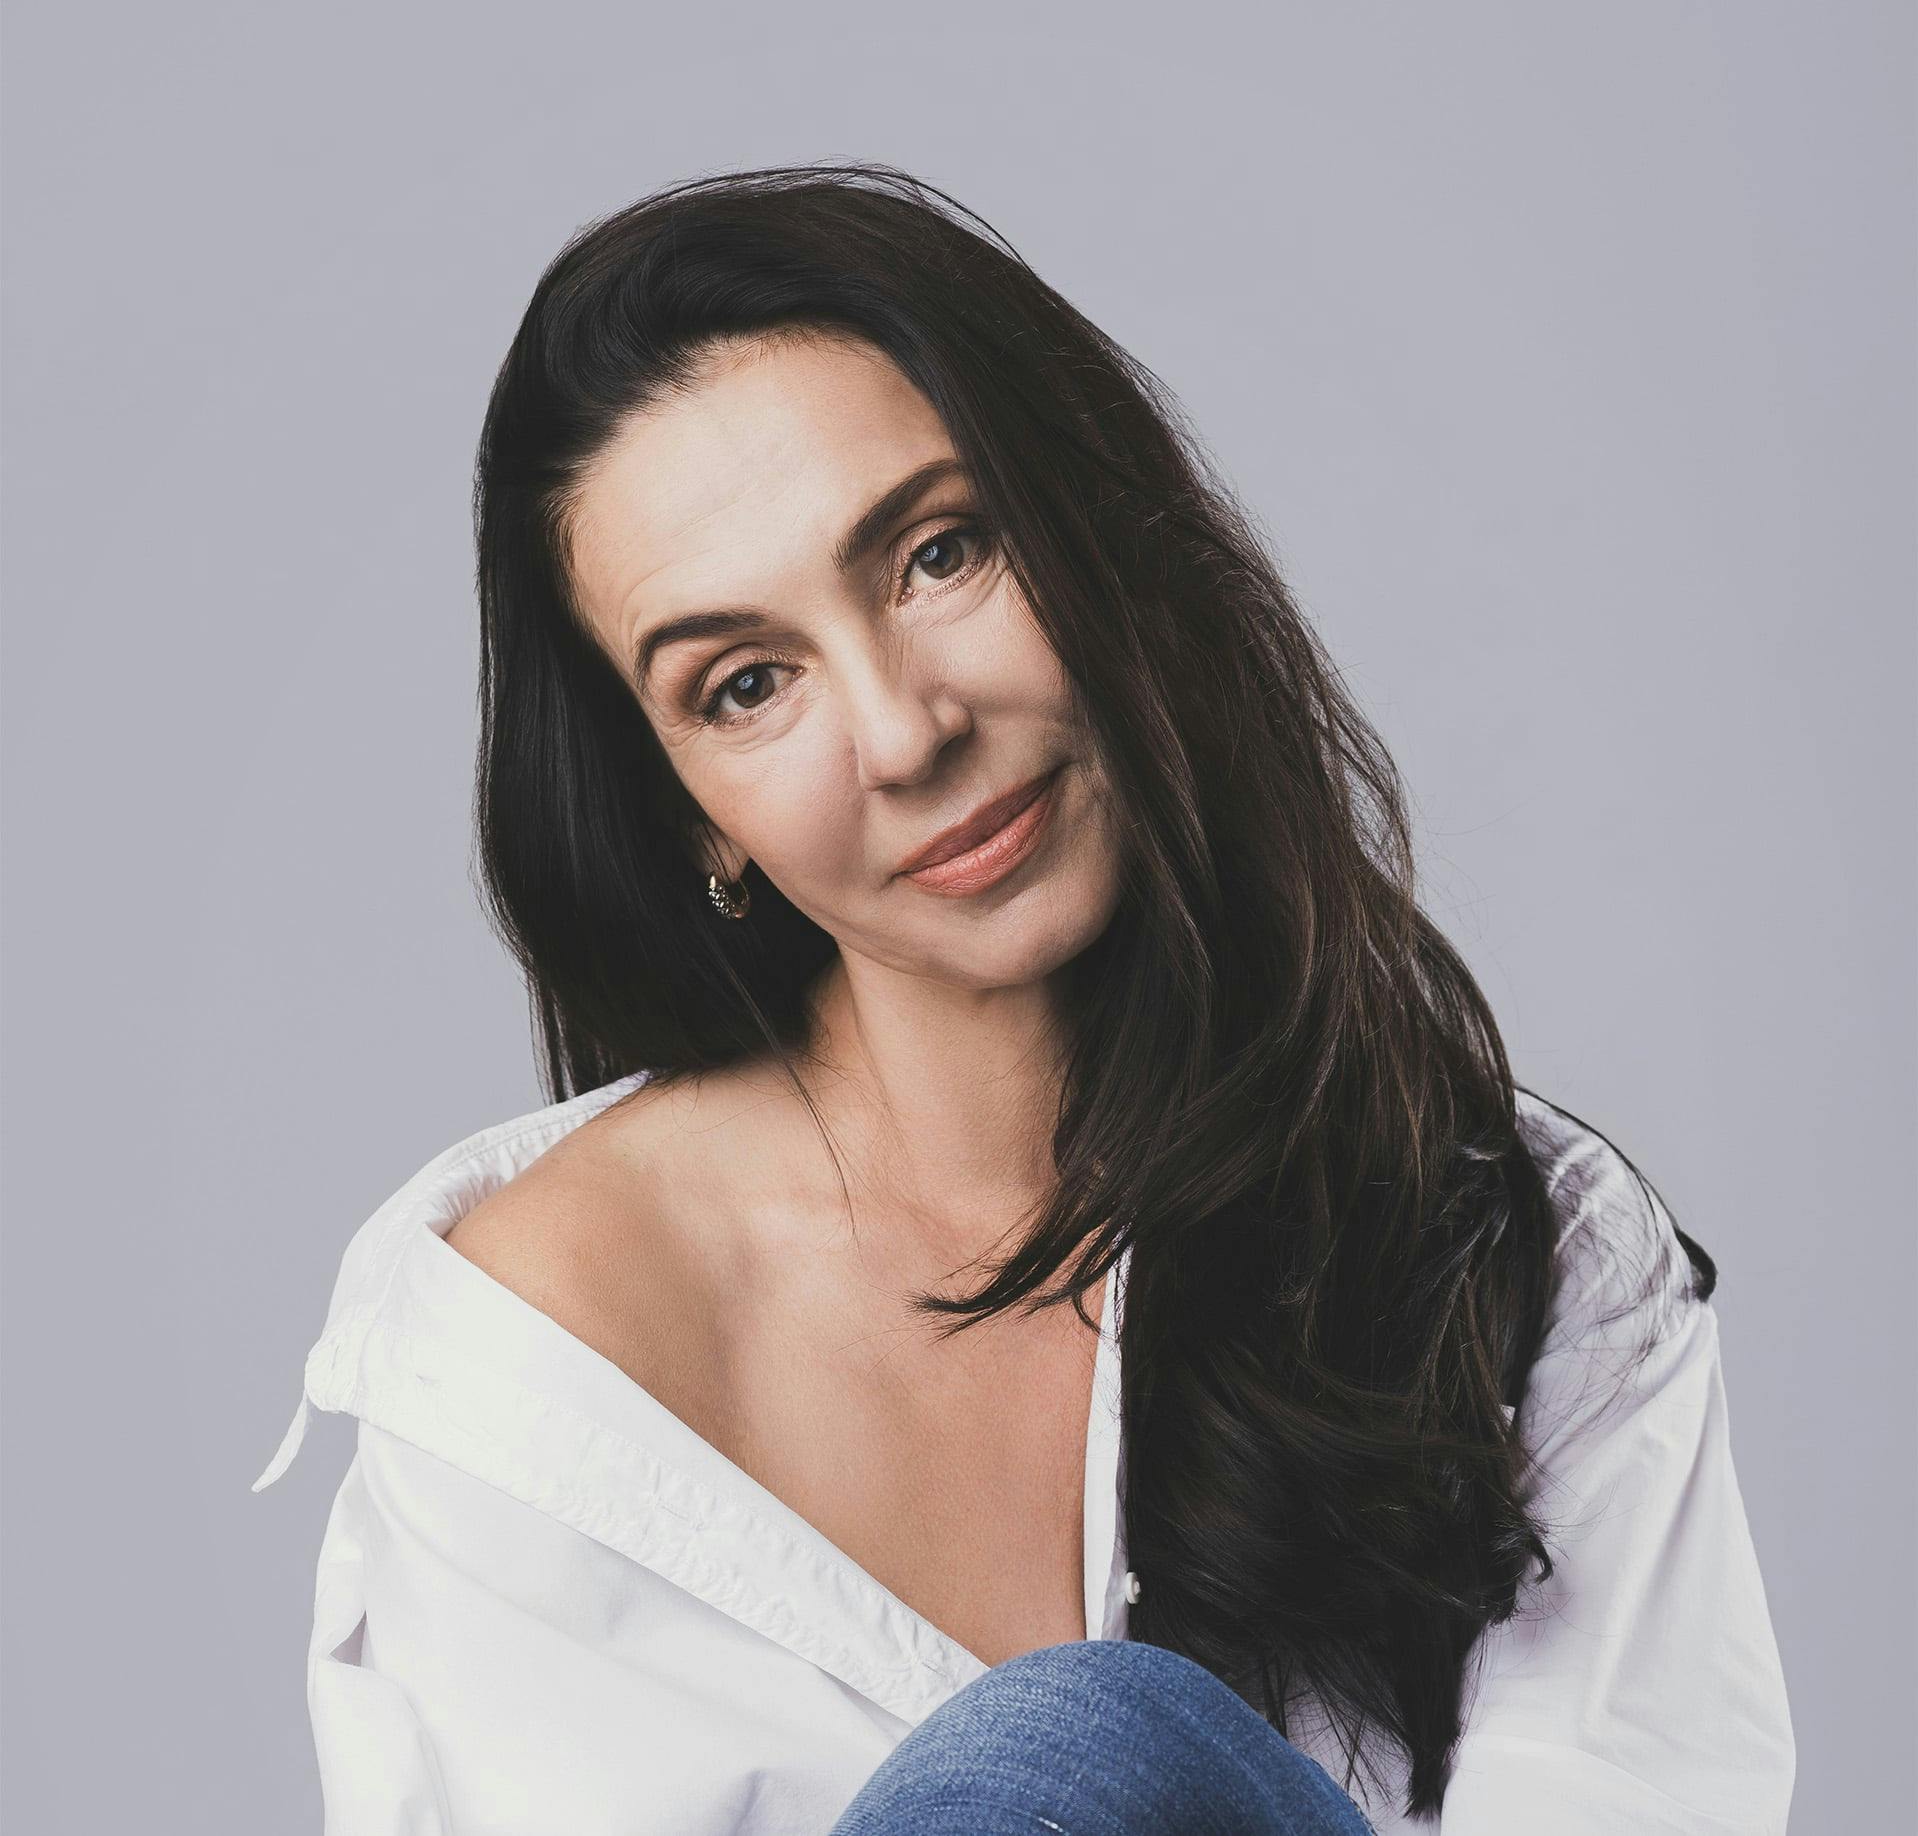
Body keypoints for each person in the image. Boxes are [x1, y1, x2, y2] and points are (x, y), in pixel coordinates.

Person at [250, 162, 1795, 1834]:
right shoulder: (543, 1357)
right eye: (747, 684)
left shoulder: (1492, 1236)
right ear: (694, 814)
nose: (907, 732)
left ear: (1102, 532)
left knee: (1087, 1746)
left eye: (938, 553)